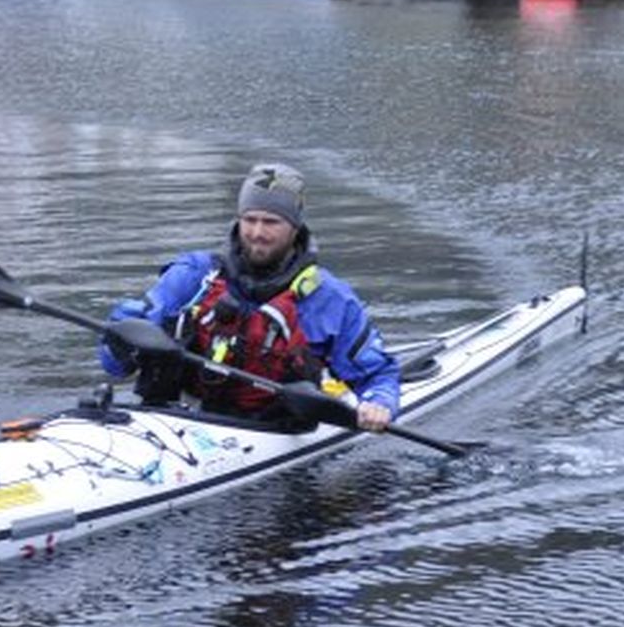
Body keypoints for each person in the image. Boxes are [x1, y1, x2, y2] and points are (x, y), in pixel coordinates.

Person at [98, 163, 399, 431]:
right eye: (250, 219)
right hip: (177, 419)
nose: (257, 232)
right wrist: (121, 338)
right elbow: (114, 366)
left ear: (295, 228)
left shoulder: (329, 298)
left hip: (275, 427)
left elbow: (378, 376)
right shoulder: (193, 275)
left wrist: (378, 404)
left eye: (271, 222)